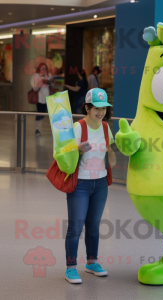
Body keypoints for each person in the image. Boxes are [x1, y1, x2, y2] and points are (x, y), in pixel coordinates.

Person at [64, 88, 116, 284]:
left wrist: (112, 157)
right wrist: (77, 149)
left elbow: (109, 153)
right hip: (80, 184)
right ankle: (70, 268)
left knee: (93, 226)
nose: (101, 112)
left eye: (103, 108)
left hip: (100, 183)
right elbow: (66, 158)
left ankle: (92, 262)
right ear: (87, 107)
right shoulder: (78, 127)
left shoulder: (105, 127)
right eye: (96, 108)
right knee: (75, 227)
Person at [30, 63, 53, 136]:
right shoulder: (35, 76)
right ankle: (37, 129)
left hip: (47, 98)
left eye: (45, 68)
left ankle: (38, 128)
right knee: (39, 113)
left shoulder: (48, 76)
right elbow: (35, 88)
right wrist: (41, 81)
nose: (44, 70)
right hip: (39, 98)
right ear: (39, 69)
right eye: (42, 68)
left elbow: (53, 85)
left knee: (43, 114)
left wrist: (50, 81)